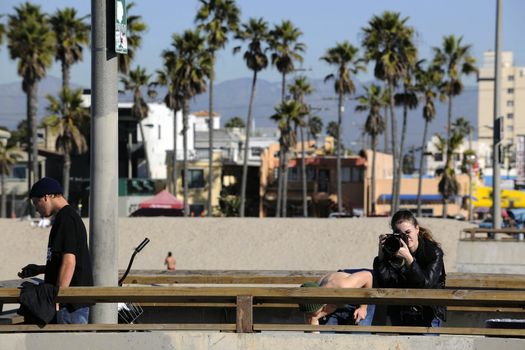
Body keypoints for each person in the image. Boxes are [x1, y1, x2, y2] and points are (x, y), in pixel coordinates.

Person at [18, 177, 94, 324]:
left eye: (36, 203)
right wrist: (40, 269)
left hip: (70, 305)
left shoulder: (67, 219)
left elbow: (69, 262)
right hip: (71, 303)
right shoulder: (66, 217)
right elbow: (64, 262)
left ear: (46, 197)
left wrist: (59, 297)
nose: (36, 208)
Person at [373, 209, 446, 328]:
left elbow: (426, 285)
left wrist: (409, 260)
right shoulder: (393, 251)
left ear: (417, 229)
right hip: (401, 312)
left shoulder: (433, 252)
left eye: (408, 232)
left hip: (428, 313)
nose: (405, 237)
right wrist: (381, 257)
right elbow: (385, 283)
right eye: (399, 234)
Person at [298, 270, 373, 327]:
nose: (310, 314)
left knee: (360, 334)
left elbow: (368, 276)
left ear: (323, 304)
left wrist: (363, 307)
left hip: (363, 298)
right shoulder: (313, 293)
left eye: (313, 312)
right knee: (326, 335)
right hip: (338, 301)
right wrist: (315, 318)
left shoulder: (345, 285)